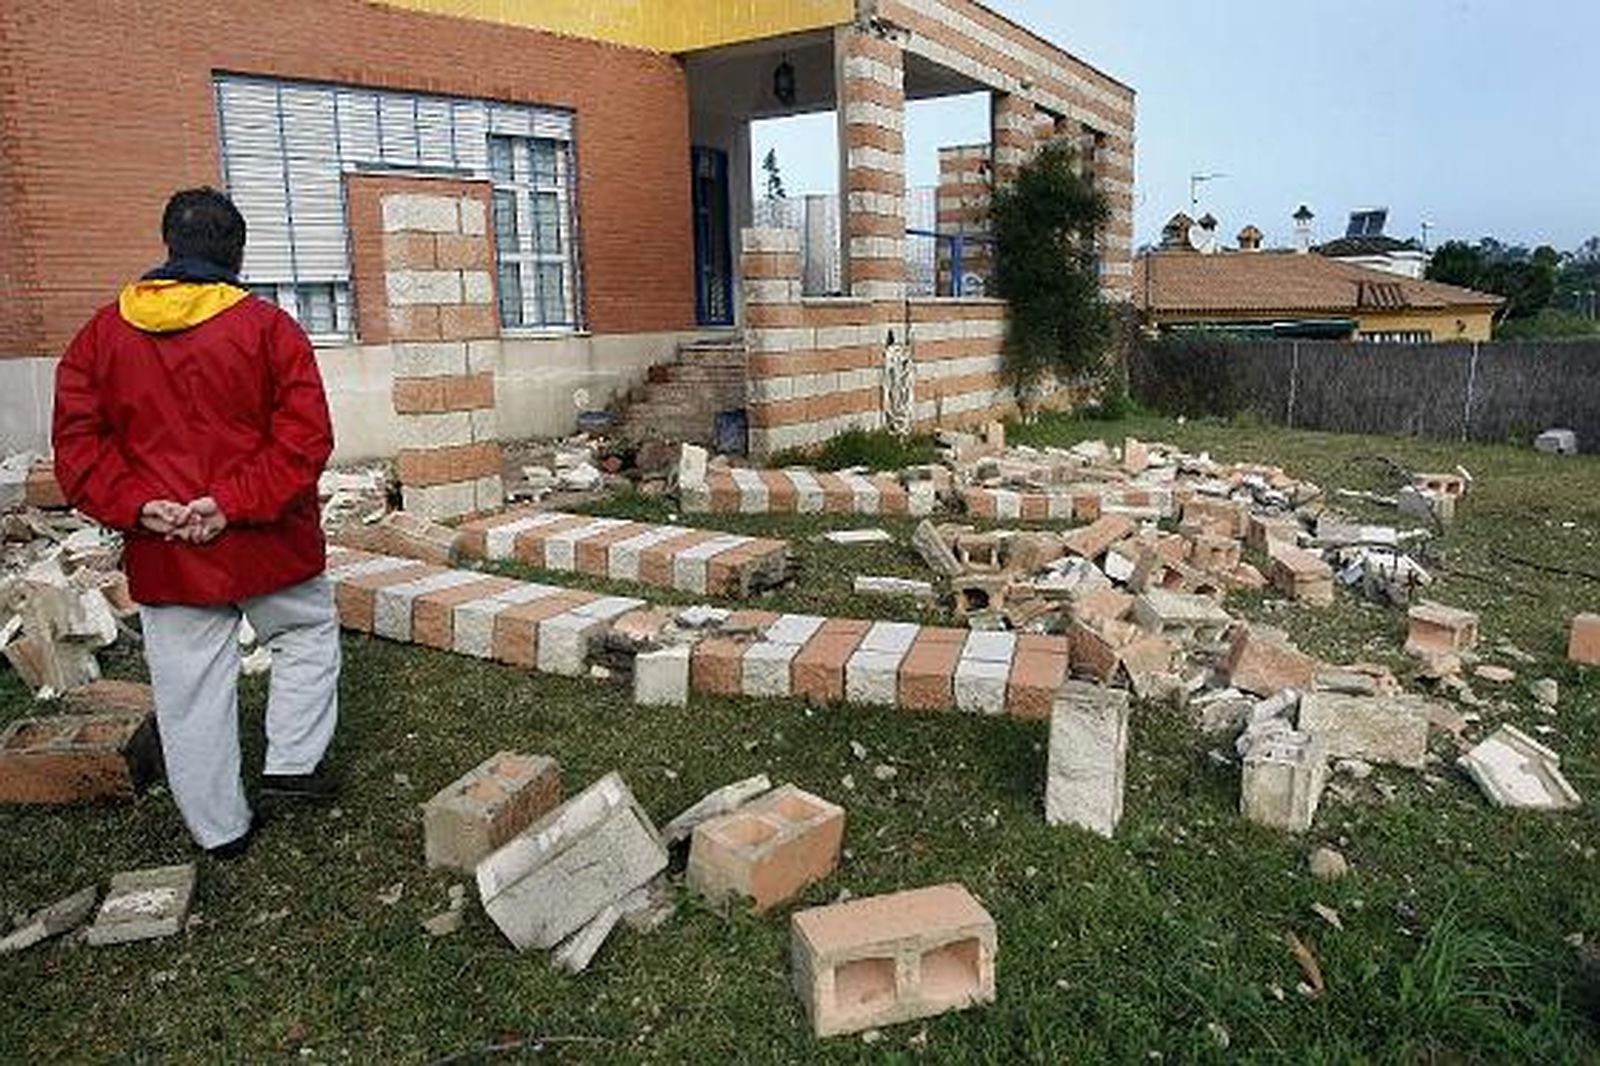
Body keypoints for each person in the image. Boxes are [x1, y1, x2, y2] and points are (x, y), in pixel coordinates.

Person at [53, 187, 339, 859]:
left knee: (190, 693)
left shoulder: (101, 336)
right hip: (267, 543)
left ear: (170, 247)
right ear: (237, 254)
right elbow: (302, 441)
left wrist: (139, 506)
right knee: (305, 634)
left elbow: (77, 448)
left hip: (165, 553)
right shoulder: (270, 329)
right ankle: (294, 758)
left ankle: (221, 831)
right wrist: (229, 504)